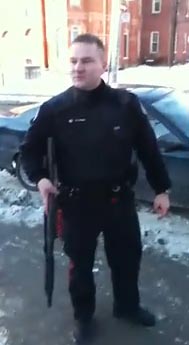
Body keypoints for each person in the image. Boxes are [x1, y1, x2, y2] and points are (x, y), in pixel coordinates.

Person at [20, 33, 171, 344]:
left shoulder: (126, 104)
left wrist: (161, 189)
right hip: (76, 205)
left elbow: (148, 149)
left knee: (127, 259)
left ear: (103, 65)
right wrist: (41, 178)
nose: (79, 67)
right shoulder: (54, 109)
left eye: (87, 61)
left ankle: (127, 307)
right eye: (74, 61)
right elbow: (29, 150)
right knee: (80, 266)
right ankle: (84, 317)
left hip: (119, 202)